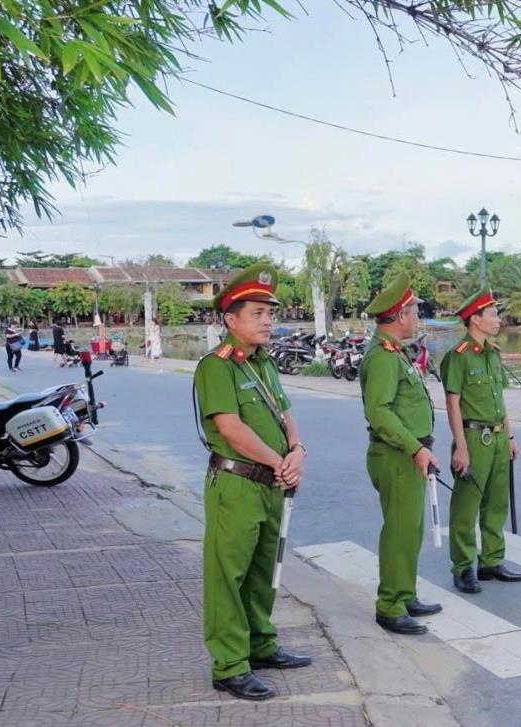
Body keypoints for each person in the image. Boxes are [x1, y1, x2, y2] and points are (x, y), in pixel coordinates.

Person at [193, 263, 312, 702]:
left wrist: (297, 451)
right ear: (230, 319)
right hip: (237, 484)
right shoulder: (216, 367)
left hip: (271, 484)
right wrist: (279, 460)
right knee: (229, 575)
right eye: (257, 313)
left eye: (269, 313)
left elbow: (285, 414)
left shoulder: (263, 364)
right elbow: (230, 427)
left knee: (265, 571)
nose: (267, 321)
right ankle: (229, 665)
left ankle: (260, 644)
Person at [359, 272, 442, 635]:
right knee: (399, 531)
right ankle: (390, 605)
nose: (417, 318)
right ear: (399, 316)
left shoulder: (397, 353)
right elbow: (378, 412)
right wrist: (414, 448)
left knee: (411, 529)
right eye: (413, 311)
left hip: (410, 454)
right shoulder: (382, 357)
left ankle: (405, 593)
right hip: (396, 455)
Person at [441, 288, 521, 595]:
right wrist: (460, 446)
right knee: (466, 506)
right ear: (475, 319)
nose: (498, 320)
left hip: (499, 436)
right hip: (474, 437)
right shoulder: (458, 357)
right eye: (493, 314)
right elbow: (453, 403)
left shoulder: (493, 354)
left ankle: (491, 560)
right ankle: (463, 567)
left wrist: (511, 435)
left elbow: (498, 400)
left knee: (496, 503)